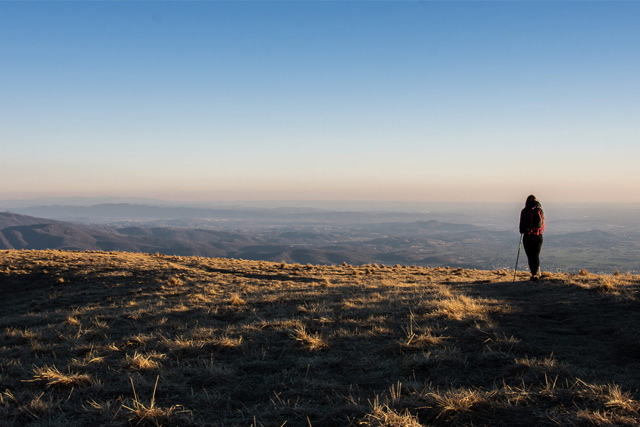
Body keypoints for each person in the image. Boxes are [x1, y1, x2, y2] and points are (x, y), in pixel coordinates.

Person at [519, 195, 545, 280]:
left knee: (530, 256)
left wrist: (523, 230)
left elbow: (521, 227)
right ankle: (537, 272)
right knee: (536, 255)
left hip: (528, 236)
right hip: (538, 236)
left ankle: (534, 274)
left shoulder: (524, 211)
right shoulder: (540, 210)